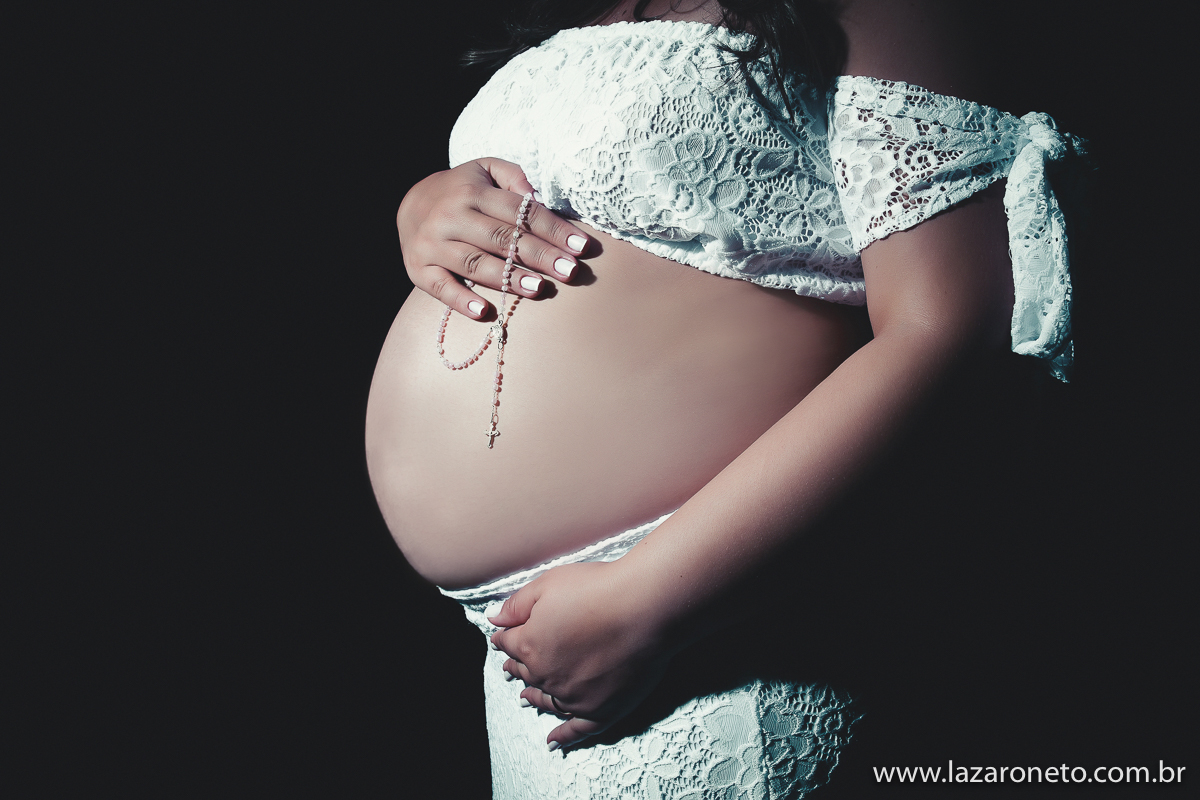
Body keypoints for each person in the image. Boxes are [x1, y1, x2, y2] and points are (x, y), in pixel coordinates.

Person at [364, 0, 1086, 796]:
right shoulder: (585, 13)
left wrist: (644, 604)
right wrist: (426, 205)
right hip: (534, 656)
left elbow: (952, 328)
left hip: (709, 618)